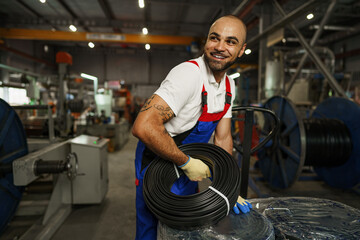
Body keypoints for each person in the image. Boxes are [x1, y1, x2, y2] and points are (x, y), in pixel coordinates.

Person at [132, 15, 252, 240]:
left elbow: (223, 138)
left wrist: (227, 185)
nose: (219, 47)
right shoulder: (188, 75)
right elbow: (143, 127)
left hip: (191, 163)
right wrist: (186, 162)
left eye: (230, 42)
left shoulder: (228, 84)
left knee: (186, 222)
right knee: (150, 224)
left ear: (241, 50)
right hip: (158, 161)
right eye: (214, 38)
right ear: (206, 41)